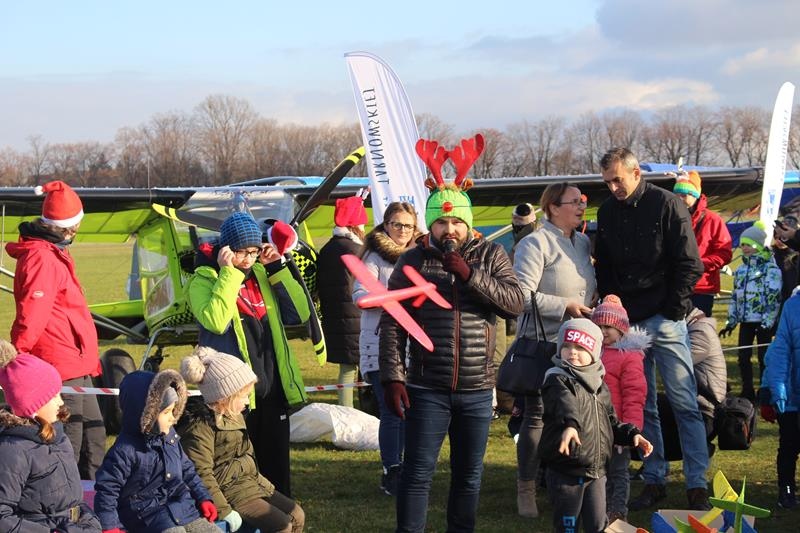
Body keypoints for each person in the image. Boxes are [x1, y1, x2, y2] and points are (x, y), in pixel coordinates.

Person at [380, 136, 525, 533]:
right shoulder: (413, 260)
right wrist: (393, 377)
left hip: (477, 389)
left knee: (468, 476)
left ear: (468, 223)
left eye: (457, 222)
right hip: (427, 387)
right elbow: (392, 321)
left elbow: (514, 303)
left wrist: (469, 274)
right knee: (417, 472)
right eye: (442, 222)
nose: (450, 229)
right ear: (431, 223)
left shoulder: (491, 256)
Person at [595, 147, 709, 511]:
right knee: (640, 403)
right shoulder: (607, 211)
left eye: (617, 180)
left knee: (684, 401)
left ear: (636, 173)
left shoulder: (667, 204)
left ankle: (697, 483)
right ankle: (654, 478)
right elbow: (605, 265)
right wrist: (614, 306)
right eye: (607, 182)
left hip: (664, 315)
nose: (613, 187)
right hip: (628, 322)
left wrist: (673, 310)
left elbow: (689, 262)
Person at [186, 211, 311, 497]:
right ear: (227, 249)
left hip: (272, 389)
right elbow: (216, 321)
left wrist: (277, 267)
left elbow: (300, 312)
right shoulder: (202, 280)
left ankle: (283, 517)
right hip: (234, 395)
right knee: (240, 471)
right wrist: (228, 273)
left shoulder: (263, 273)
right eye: (243, 252)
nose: (249, 259)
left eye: (254, 252)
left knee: (277, 469)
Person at [6, 180, 106, 479]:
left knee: (94, 436)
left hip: (77, 360)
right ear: (70, 227)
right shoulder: (42, 257)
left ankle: (94, 497)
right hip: (60, 362)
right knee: (68, 441)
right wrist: (18, 356)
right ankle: (64, 499)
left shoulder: (53, 251)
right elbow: (33, 313)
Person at [511, 182, 596, 518]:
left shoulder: (583, 242)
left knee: (575, 415)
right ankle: (526, 487)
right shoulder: (534, 243)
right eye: (574, 202)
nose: (581, 207)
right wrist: (565, 306)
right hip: (543, 344)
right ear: (553, 208)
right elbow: (520, 296)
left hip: (579, 347)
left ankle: (567, 481)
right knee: (536, 417)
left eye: (583, 201)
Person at [540, 318, 652, 533]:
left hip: (597, 472)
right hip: (567, 471)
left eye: (580, 347)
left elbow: (610, 421)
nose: (572, 352)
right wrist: (570, 425)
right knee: (568, 525)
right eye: (567, 346)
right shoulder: (557, 378)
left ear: (594, 352)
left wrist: (631, 435)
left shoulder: (599, 385)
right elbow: (563, 404)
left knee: (598, 524)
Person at [178, 346, 305, 533]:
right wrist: (223, 509)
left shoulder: (235, 415)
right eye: (243, 396)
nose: (247, 401)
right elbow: (201, 472)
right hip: (229, 492)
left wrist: (266, 487)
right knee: (282, 525)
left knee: (297, 515)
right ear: (224, 397)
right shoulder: (200, 427)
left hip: (250, 484)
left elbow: (247, 458)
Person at [93, 369, 219, 533]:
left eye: (174, 410)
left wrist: (203, 497)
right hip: (146, 514)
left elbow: (187, 469)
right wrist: (109, 526)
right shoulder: (124, 451)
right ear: (147, 415)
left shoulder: (170, 436)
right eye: (166, 412)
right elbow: (107, 489)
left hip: (182, 506)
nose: (173, 418)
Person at [353, 201, 421, 496]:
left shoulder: (420, 255)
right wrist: (396, 298)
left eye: (408, 225)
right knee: (392, 410)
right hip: (380, 344)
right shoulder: (374, 257)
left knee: (411, 410)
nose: (403, 231)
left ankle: (408, 466)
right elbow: (360, 296)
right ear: (386, 225)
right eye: (397, 224)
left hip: (414, 346)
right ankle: (391, 469)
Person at [0, 339, 101, 532]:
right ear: (33, 406)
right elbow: (3, 517)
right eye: (53, 396)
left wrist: (90, 521)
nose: (60, 402)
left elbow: (74, 501)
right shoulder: (12, 450)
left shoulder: (60, 438)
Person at [590, 296, 649, 523]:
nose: (603, 331)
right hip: (595, 425)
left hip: (619, 427)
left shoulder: (629, 356)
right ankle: (598, 510)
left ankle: (617, 512)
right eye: (599, 326)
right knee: (598, 471)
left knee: (618, 472)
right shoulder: (592, 353)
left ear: (621, 329)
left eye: (609, 327)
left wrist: (630, 430)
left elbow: (635, 394)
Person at [719, 221, 782, 402]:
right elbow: (735, 297)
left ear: (757, 245)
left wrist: (768, 322)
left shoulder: (770, 269)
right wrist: (731, 322)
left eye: (748, 244)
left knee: (764, 357)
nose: (744, 248)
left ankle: (764, 389)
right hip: (746, 321)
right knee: (743, 356)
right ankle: (747, 389)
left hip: (763, 322)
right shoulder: (741, 270)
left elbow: (773, 298)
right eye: (742, 244)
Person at [317, 194, 367, 408]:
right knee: (362, 369)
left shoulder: (327, 249)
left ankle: (347, 411)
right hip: (357, 317)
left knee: (346, 369)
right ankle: (358, 411)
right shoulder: (356, 250)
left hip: (335, 317)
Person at [672, 170, 733, 317]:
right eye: (676, 195)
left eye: (684, 195)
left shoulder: (713, 220)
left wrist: (698, 264)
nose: (679, 199)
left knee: (699, 328)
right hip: (674, 285)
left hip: (701, 288)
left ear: (695, 195)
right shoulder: (671, 217)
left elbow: (724, 253)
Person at [761, 292, 800, 510]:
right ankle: (786, 490)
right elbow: (778, 353)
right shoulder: (792, 307)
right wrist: (775, 390)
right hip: (791, 394)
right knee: (789, 445)